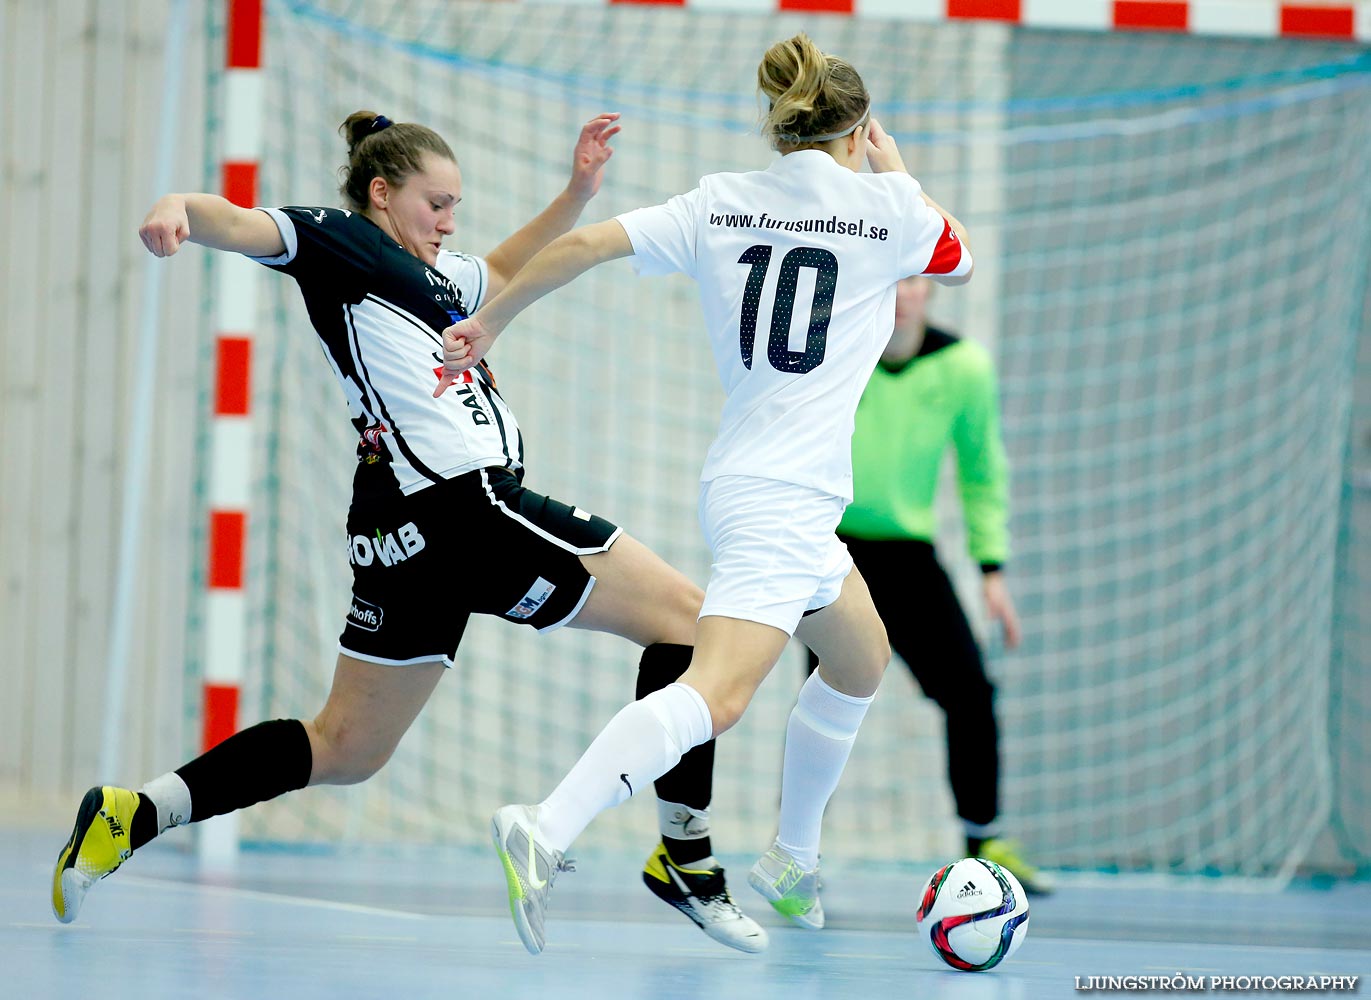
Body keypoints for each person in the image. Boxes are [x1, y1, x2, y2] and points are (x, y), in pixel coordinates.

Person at [51, 110, 767, 954]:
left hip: (398, 528)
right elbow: (241, 224)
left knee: (347, 746)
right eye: (437, 202)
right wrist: (178, 204)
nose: (449, 221)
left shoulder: (435, 275)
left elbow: (503, 268)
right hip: (470, 507)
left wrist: (576, 191)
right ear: (382, 193)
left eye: (457, 204)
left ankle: (136, 813)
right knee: (689, 621)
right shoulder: (343, 241)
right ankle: (684, 855)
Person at [435, 33, 974, 955]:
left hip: (762, 487)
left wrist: (489, 318)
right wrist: (898, 170)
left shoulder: (723, 201)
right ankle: (547, 824)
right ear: (857, 132)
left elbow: (588, 246)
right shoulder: (890, 208)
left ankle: (792, 860)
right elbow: (955, 257)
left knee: (860, 659)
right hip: (780, 497)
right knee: (716, 694)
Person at [803, 275, 1051, 895]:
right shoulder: (835, 355)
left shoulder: (963, 367)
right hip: (832, 551)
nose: (902, 291)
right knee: (827, 703)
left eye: (914, 279)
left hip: (910, 559)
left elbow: (981, 469)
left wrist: (992, 569)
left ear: (931, 289)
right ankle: (797, 849)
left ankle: (983, 839)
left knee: (969, 691)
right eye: (891, 277)